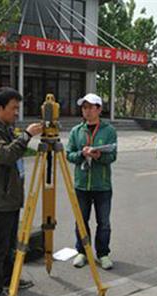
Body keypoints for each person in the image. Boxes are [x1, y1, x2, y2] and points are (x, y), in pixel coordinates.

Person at [0, 87, 42, 296]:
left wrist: (28, 134)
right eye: (14, 108)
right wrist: (26, 136)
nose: (17, 113)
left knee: (8, 246)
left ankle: (8, 280)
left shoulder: (6, 128)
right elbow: (5, 155)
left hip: (12, 199)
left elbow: (17, 146)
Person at [66, 93, 117, 270]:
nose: (87, 111)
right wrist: (82, 154)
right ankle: (82, 251)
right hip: (81, 184)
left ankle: (103, 254)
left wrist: (98, 155)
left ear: (99, 109)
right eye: (84, 107)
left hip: (102, 185)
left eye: (90, 107)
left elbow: (112, 155)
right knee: (81, 220)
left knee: (103, 222)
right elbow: (69, 155)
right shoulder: (76, 131)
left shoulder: (109, 131)